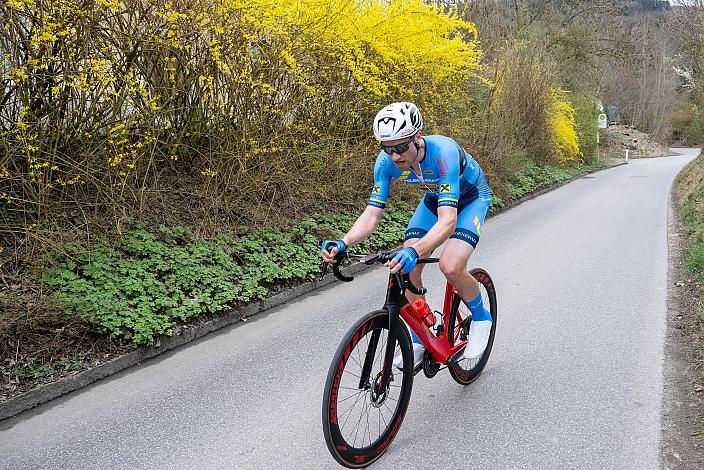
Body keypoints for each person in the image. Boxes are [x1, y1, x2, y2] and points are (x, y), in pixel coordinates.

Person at [321, 101, 492, 369]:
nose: (395, 156)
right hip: (435, 199)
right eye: (387, 148)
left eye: (401, 147)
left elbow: (448, 221)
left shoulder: (443, 152)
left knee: (451, 264)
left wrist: (416, 251)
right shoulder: (385, 163)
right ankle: (420, 337)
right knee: (405, 269)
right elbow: (372, 214)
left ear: (417, 138)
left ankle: (482, 317)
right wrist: (344, 242)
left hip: (471, 199)